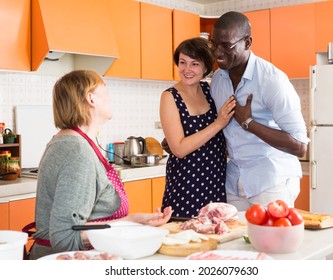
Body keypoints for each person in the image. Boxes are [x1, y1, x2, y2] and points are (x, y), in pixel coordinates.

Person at [29, 70, 172, 260]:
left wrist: (132, 222)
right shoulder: (76, 151)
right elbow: (64, 237)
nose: (109, 97)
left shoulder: (74, 142)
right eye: (104, 90)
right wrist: (126, 230)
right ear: (91, 99)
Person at [208, 11, 310, 210]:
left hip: (271, 181)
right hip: (235, 180)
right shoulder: (218, 79)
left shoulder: (272, 80)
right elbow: (217, 125)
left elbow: (299, 146)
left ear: (247, 42)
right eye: (214, 44)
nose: (218, 53)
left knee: (273, 240)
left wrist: (249, 124)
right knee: (235, 240)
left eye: (226, 46)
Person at [159, 37, 236, 218]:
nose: (187, 69)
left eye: (194, 64)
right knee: (185, 239)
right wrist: (218, 123)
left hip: (215, 180)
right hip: (186, 185)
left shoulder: (210, 90)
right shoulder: (170, 97)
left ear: (206, 68)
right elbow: (178, 149)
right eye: (182, 62)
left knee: (216, 238)